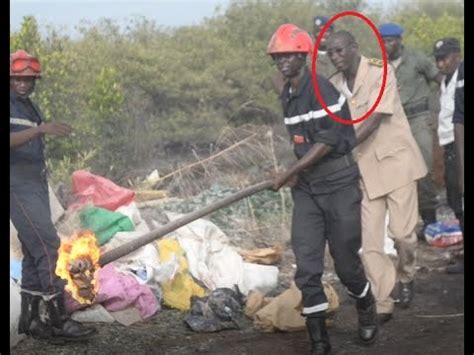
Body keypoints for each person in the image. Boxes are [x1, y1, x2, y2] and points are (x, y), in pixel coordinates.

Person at [267, 24, 377, 354]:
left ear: (303, 55)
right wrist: (295, 172)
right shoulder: (288, 95)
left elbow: (329, 139)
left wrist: (292, 170)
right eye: (277, 57)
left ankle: (365, 303)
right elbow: (301, 141)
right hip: (309, 192)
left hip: (340, 185)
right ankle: (318, 339)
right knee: (308, 265)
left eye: (288, 55)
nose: (282, 62)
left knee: (345, 262)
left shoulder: (321, 89)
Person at [326, 31, 428, 324]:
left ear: (354, 48)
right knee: (369, 243)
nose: (336, 57)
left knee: (402, 235)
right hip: (364, 171)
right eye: (330, 53)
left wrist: (340, 147)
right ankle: (383, 298)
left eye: (340, 50)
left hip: (396, 164)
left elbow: (374, 120)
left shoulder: (382, 72)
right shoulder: (332, 85)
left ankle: (407, 275)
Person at [10, 49, 96, 341]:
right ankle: (60, 319)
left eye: (29, 79)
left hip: (34, 186)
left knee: (34, 253)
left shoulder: (28, 107)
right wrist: (40, 131)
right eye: (18, 79)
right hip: (16, 187)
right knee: (48, 245)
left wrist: (40, 129)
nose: (23, 84)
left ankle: (33, 321)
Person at [379, 23, 442, 238]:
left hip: (418, 118)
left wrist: (439, 109)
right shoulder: (378, 65)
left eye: (390, 41)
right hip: (393, 121)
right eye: (383, 41)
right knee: (396, 172)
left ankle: (430, 222)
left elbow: (440, 79)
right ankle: (403, 224)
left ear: (399, 40)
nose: (386, 45)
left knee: (423, 167)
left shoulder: (417, 59)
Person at [432, 38, 464, 273]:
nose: (440, 63)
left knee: (459, 197)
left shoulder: (461, 79)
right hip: (449, 146)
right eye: (438, 59)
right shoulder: (446, 81)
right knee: (454, 199)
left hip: (458, 145)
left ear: (457, 56)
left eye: (444, 58)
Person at [270, 15, 336, 96]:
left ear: (333, 33)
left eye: (326, 31)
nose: (322, 34)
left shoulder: (340, 56)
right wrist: (289, 99)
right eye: (318, 31)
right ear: (313, 33)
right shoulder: (303, 56)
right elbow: (278, 77)